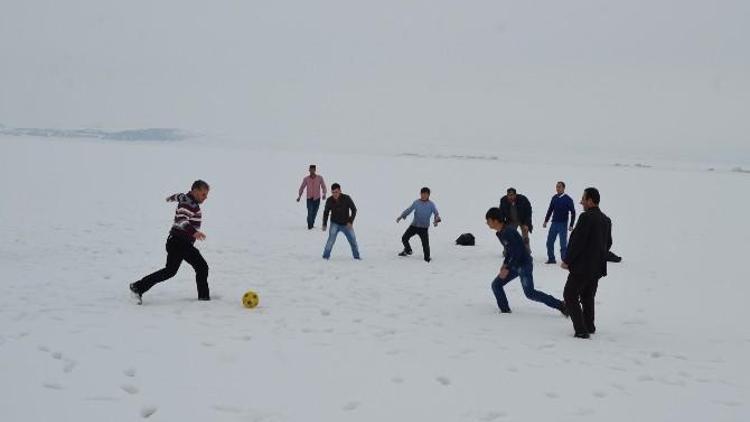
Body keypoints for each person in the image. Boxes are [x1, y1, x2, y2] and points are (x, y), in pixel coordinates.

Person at [130, 180, 211, 304]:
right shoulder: (188, 204)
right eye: (203, 194)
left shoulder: (186, 198)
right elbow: (181, 219)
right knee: (201, 267)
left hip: (177, 242)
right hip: (180, 242)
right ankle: (204, 299)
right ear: (195, 191)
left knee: (171, 271)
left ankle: (138, 286)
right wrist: (194, 232)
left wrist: (171, 198)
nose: (205, 197)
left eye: (206, 194)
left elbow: (179, 195)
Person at [485, 207, 567, 316]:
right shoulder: (500, 233)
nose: (487, 223)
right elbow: (510, 251)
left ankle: (561, 305)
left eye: (488, 220)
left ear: (495, 221)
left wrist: (508, 268)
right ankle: (505, 311)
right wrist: (505, 264)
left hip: (524, 264)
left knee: (530, 293)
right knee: (496, 285)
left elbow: (518, 252)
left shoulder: (509, 232)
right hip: (514, 264)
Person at [561, 187, 613, 339]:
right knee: (587, 296)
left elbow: (577, 241)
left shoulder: (585, 217)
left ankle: (581, 330)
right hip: (597, 267)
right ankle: (589, 325)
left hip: (582, 267)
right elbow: (608, 243)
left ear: (590, 201)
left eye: (583, 199)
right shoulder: (606, 220)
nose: (581, 202)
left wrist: (567, 260)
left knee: (570, 295)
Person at [397, 187, 441, 262]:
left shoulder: (431, 204)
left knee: (425, 244)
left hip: (424, 228)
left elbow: (436, 214)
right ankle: (408, 250)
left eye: (426, 194)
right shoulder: (416, 202)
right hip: (414, 226)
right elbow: (409, 210)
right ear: (420, 194)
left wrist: (436, 220)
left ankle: (427, 258)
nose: (424, 196)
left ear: (428, 195)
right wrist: (401, 216)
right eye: (422, 194)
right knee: (404, 238)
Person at [322, 183, 360, 260]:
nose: (334, 194)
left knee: (353, 240)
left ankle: (356, 257)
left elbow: (354, 210)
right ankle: (325, 257)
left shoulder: (346, 198)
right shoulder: (329, 200)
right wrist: (324, 224)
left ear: (340, 191)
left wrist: (350, 221)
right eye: (333, 192)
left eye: (336, 192)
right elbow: (326, 212)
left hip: (346, 224)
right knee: (330, 241)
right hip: (335, 224)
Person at [542, 181, 576, 264]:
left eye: (559, 187)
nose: (557, 188)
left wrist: (571, 225)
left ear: (563, 188)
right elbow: (550, 210)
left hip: (563, 224)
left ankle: (565, 260)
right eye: (557, 187)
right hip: (554, 223)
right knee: (549, 242)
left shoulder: (568, 199)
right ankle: (551, 259)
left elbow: (573, 212)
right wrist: (546, 221)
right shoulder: (554, 198)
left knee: (563, 244)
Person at [499, 187, 533, 252]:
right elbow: (501, 213)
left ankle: (526, 251)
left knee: (525, 236)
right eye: (509, 195)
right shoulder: (503, 200)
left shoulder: (523, 199)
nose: (510, 197)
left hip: (523, 220)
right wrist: (502, 224)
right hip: (511, 221)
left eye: (512, 195)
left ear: (515, 195)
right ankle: (507, 251)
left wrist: (526, 224)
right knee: (509, 236)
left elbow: (528, 212)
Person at [297, 164, 328, 229]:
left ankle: (311, 224)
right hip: (309, 199)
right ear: (309, 170)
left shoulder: (320, 178)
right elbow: (302, 187)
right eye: (310, 170)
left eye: (313, 170)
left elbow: (323, 186)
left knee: (314, 212)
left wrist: (324, 194)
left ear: (315, 170)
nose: (312, 171)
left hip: (317, 198)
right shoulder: (306, 179)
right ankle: (310, 226)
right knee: (310, 212)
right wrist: (299, 196)